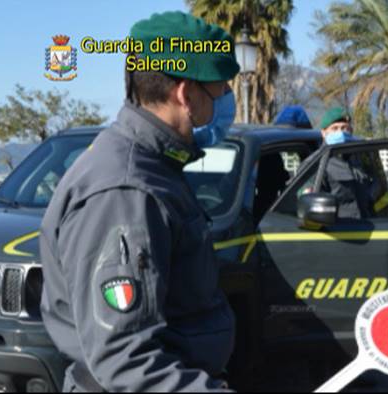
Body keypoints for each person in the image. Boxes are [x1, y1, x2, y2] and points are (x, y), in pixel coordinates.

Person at [40, 11, 239, 391]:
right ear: (185, 93)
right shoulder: (127, 191)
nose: (226, 102)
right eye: (220, 90)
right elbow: (126, 359)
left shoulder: (156, 168)